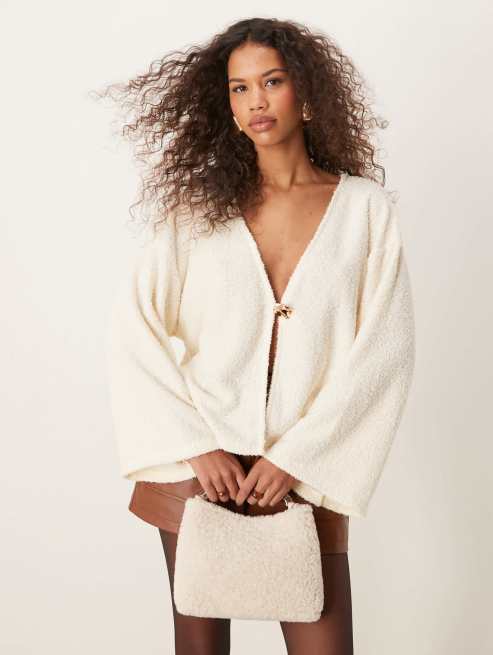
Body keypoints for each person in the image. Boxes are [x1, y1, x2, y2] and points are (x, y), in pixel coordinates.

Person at [102, 16, 416, 655]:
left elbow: (385, 352)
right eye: (239, 88)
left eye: (271, 81)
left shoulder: (363, 210)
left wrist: (296, 457)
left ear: (306, 91)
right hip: (198, 469)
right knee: (199, 647)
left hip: (304, 470)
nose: (256, 101)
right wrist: (196, 444)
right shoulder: (196, 208)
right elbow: (135, 328)